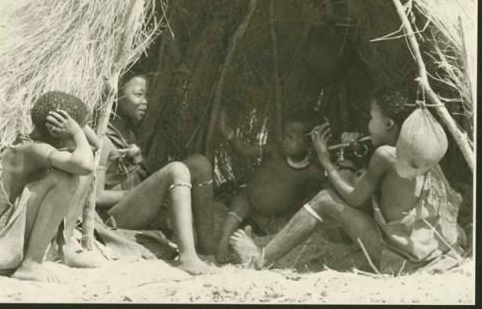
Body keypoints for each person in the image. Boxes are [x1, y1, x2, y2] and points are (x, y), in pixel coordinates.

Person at [230, 87, 465, 274]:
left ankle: (260, 259)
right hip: (428, 248)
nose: (367, 124)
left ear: (388, 124)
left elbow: (355, 197)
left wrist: (325, 160)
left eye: (371, 118)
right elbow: (386, 198)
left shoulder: (385, 156)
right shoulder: (421, 151)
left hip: (399, 260)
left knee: (324, 200)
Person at [94, 72, 217, 275]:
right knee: (176, 170)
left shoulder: (128, 132)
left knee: (199, 164)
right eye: (138, 94)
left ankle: (208, 246)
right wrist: (142, 193)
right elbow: (95, 197)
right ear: (114, 96)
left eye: (146, 95)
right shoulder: (103, 138)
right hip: (114, 216)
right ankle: (188, 257)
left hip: (134, 205)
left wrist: (139, 165)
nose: (145, 102)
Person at [0, 91, 100, 282]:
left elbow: (95, 145)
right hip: (0, 240)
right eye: (76, 131)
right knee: (67, 178)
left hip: (14, 232)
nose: (78, 135)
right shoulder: (34, 150)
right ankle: (31, 263)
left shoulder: (38, 141)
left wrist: (76, 127)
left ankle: (63, 246)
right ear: (56, 131)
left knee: (82, 171)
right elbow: (85, 164)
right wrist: (75, 131)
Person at [215, 109, 327, 263]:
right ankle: (223, 244)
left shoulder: (312, 171)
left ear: (309, 144)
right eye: (284, 135)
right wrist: (229, 134)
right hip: (247, 200)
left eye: (291, 137)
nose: (284, 140)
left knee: (283, 237)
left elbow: (315, 197)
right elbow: (245, 150)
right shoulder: (274, 151)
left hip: (273, 218)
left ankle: (251, 239)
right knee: (232, 217)